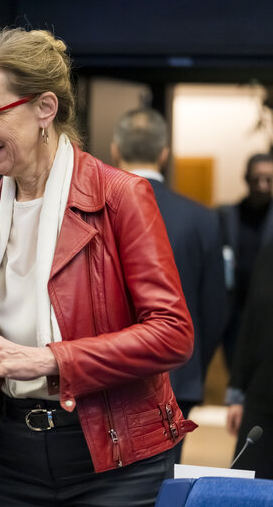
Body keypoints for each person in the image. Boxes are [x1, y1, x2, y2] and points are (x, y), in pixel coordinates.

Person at [0, 27, 195, 507]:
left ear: (45, 108)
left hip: (117, 458)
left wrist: (51, 358)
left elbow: (172, 333)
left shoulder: (119, 197)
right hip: (11, 454)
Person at [111, 108, 226, 436]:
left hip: (107, 376)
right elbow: (215, 306)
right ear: (164, 154)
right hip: (178, 374)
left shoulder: (96, 210)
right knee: (166, 480)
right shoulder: (202, 218)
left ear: (116, 149)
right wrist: (195, 361)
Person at [217, 153, 273, 368]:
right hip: (235, 311)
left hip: (267, 310)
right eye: (257, 178)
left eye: (268, 179)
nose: (262, 185)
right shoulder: (228, 215)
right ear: (246, 178)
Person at [225, 241, 273, 478]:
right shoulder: (270, 251)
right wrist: (237, 393)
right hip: (262, 396)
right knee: (248, 486)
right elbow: (251, 321)